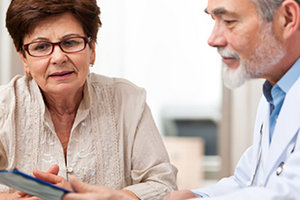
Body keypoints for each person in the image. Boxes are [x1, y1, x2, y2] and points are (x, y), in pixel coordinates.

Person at [0, 0, 177, 199]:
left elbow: (164, 184)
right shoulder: (4, 105)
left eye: (70, 42)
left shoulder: (128, 100)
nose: (58, 58)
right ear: (24, 59)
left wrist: (111, 198)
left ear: (92, 50)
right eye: (41, 47)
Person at [163, 0, 300, 199]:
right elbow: (248, 181)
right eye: (214, 20)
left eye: (228, 21)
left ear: (287, 18)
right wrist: (197, 196)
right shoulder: (276, 95)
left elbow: (290, 194)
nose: (213, 39)